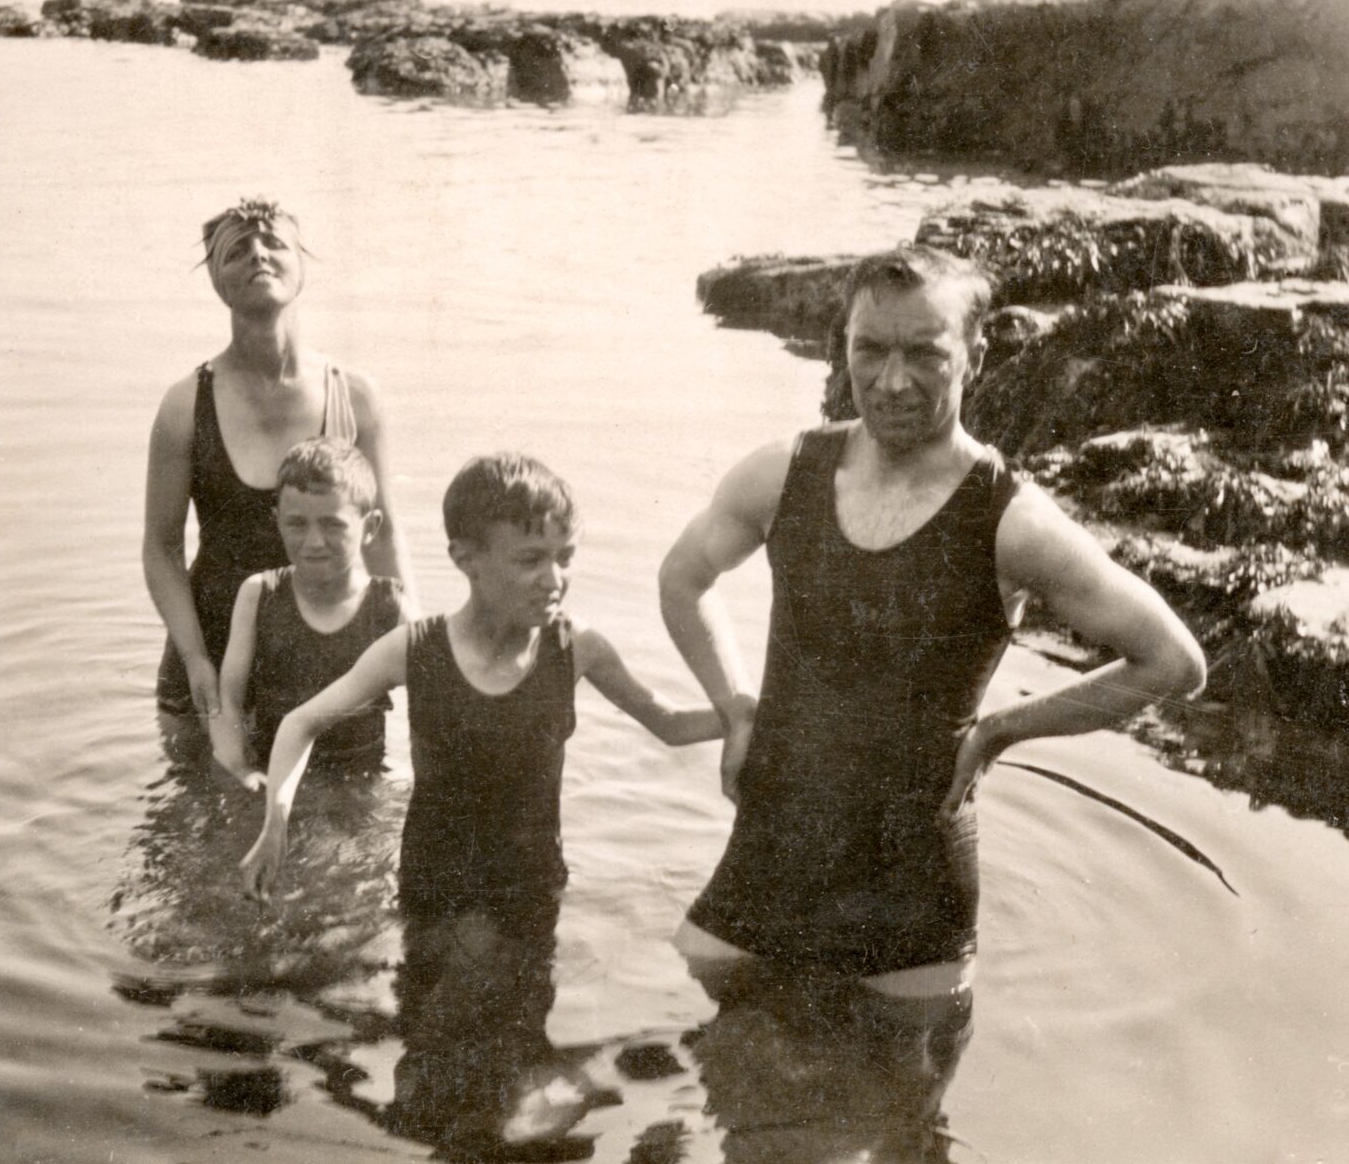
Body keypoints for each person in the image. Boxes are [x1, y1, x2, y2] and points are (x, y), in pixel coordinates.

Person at [657, 245, 1206, 998]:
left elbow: (1173, 662)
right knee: (702, 1073)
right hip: (768, 858)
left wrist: (1002, 730)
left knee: (892, 1113)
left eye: (925, 353)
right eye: (870, 350)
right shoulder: (783, 477)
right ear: (843, 347)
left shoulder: (1011, 522)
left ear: (975, 355)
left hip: (911, 900)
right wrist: (734, 704)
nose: (892, 380)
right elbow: (682, 580)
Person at [240, 452, 723, 907]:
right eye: (531, 560)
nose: (554, 580)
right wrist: (274, 826)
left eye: (565, 558)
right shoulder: (417, 650)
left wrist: (759, 711)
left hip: (533, 886)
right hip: (431, 890)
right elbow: (299, 723)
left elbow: (671, 723)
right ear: (466, 558)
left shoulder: (575, 648)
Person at [144, 195, 413, 725]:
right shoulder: (184, 406)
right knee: (196, 805)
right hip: (213, 651)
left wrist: (417, 647)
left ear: (301, 267)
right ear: (218, 282)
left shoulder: (354, 396)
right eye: (237, 251)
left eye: (274, 243)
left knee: (350, 803)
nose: (258, 255)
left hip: (329, 651)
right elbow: (161, 547)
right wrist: (195, 658)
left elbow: (382, 536)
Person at [207, 437, 416, 792]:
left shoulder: (388, 606)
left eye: (333, 524)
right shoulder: (260, 594)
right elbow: (228, 702)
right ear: (277, 521)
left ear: (370, 526)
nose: (314, 541)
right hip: (272, 775)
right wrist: (239, 769)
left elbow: (437, 705)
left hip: (360, 781)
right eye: (297, 523)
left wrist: (410, 775)